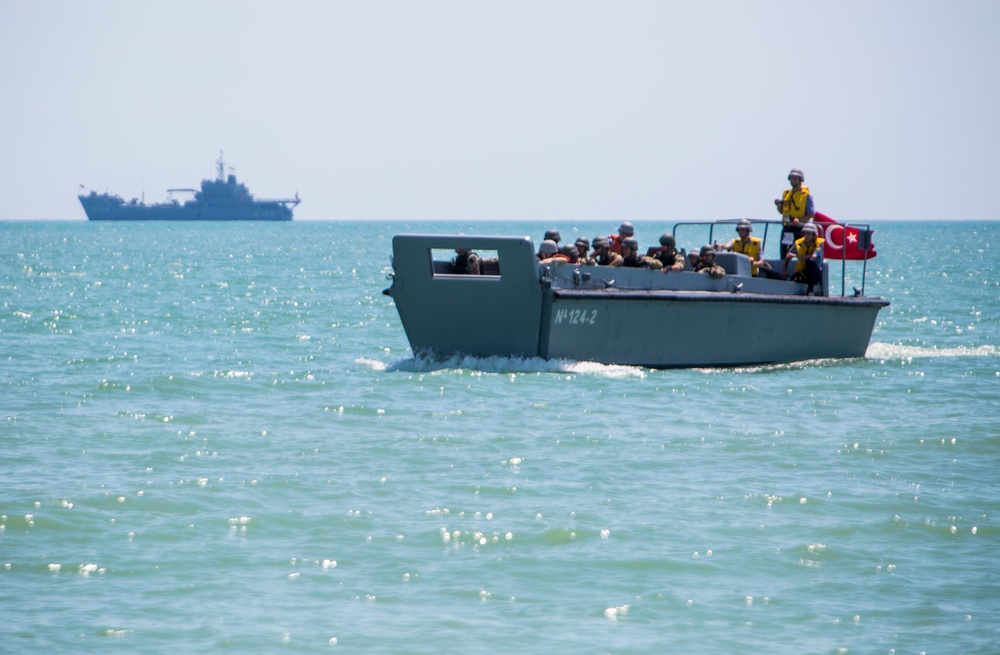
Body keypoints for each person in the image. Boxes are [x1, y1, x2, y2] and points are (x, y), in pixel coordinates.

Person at [774, 168, 815, 257]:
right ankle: (784, 269)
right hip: (787, 228)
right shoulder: (786, 194)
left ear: (800, 180)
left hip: (801, 229)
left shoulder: (807, 195)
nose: (793, 180)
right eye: (791, 178)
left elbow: (811, 213)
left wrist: (799, 221)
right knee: (784, 253)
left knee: (802, 252)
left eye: (795, 178)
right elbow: (782, 211)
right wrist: (778, 205)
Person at [783, 222, 825, 294]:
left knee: (810, 262)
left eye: (809, 234)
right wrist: (784, 269)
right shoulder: (799, 243)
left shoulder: (818, 244)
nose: (807, 236)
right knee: (793, 279)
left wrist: (796, 256)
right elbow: (788, 255)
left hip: (814, 275)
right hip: (802, 272)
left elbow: (813, 257)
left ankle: (810, 290)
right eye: (805, 233)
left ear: (813, 235)